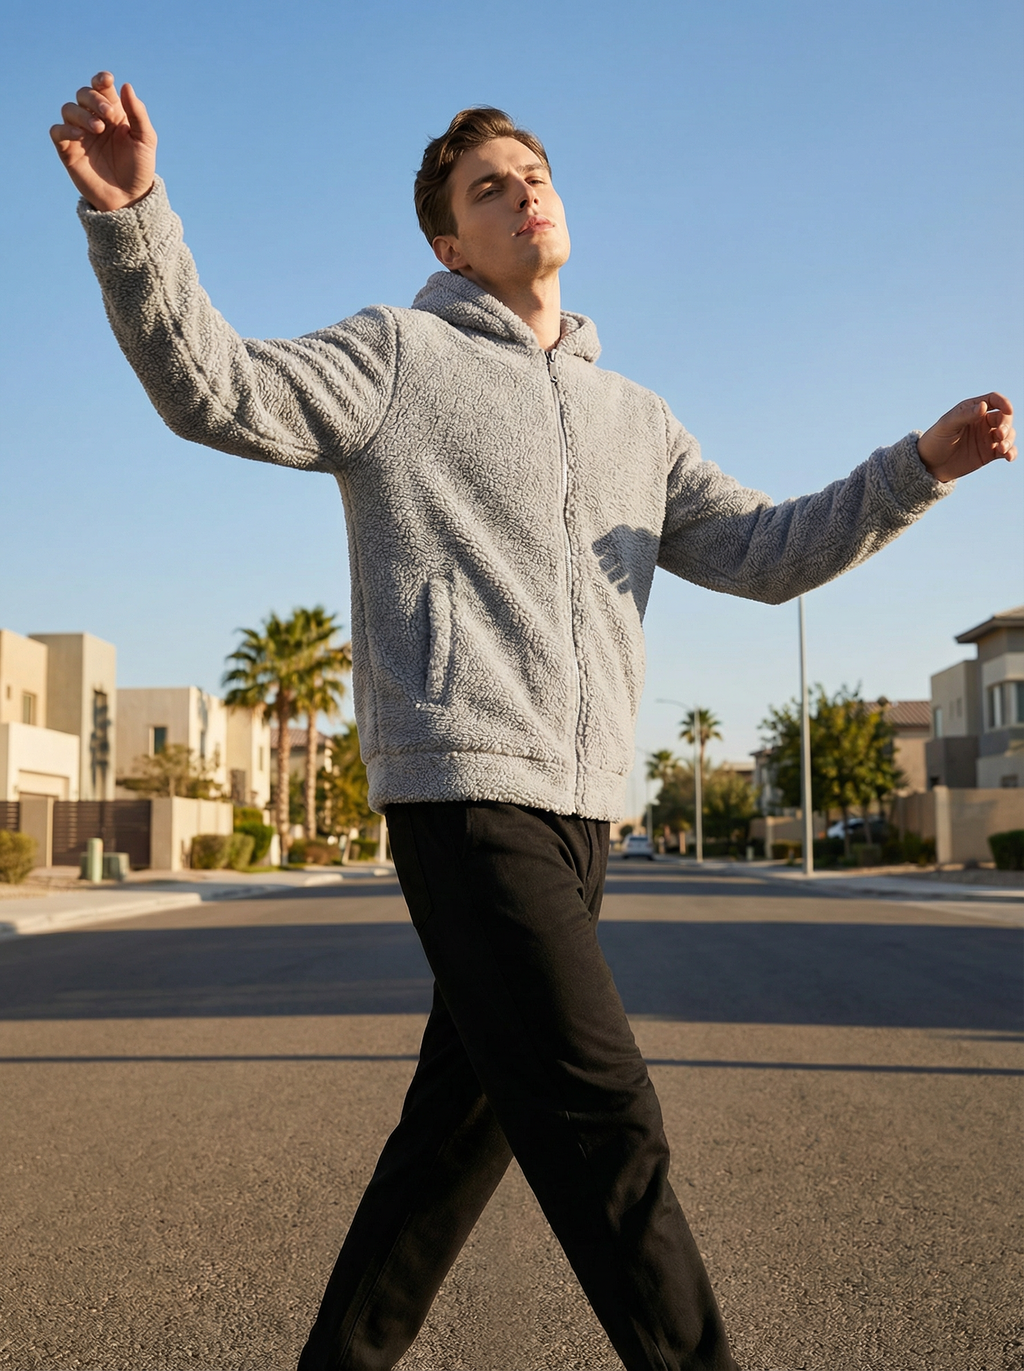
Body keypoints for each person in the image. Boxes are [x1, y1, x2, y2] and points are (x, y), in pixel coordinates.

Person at [51, 73, 1015, 1371]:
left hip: (581, 813)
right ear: (449, 241)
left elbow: (768, 548)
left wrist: (919, 467)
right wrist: (135, 220)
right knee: (605, 1118)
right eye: (488, 187)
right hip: (462, 793)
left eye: (535, 173)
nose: (524, 194)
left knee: (462, 1128)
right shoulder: (398, 355)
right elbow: (214, 386)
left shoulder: (637, 418)